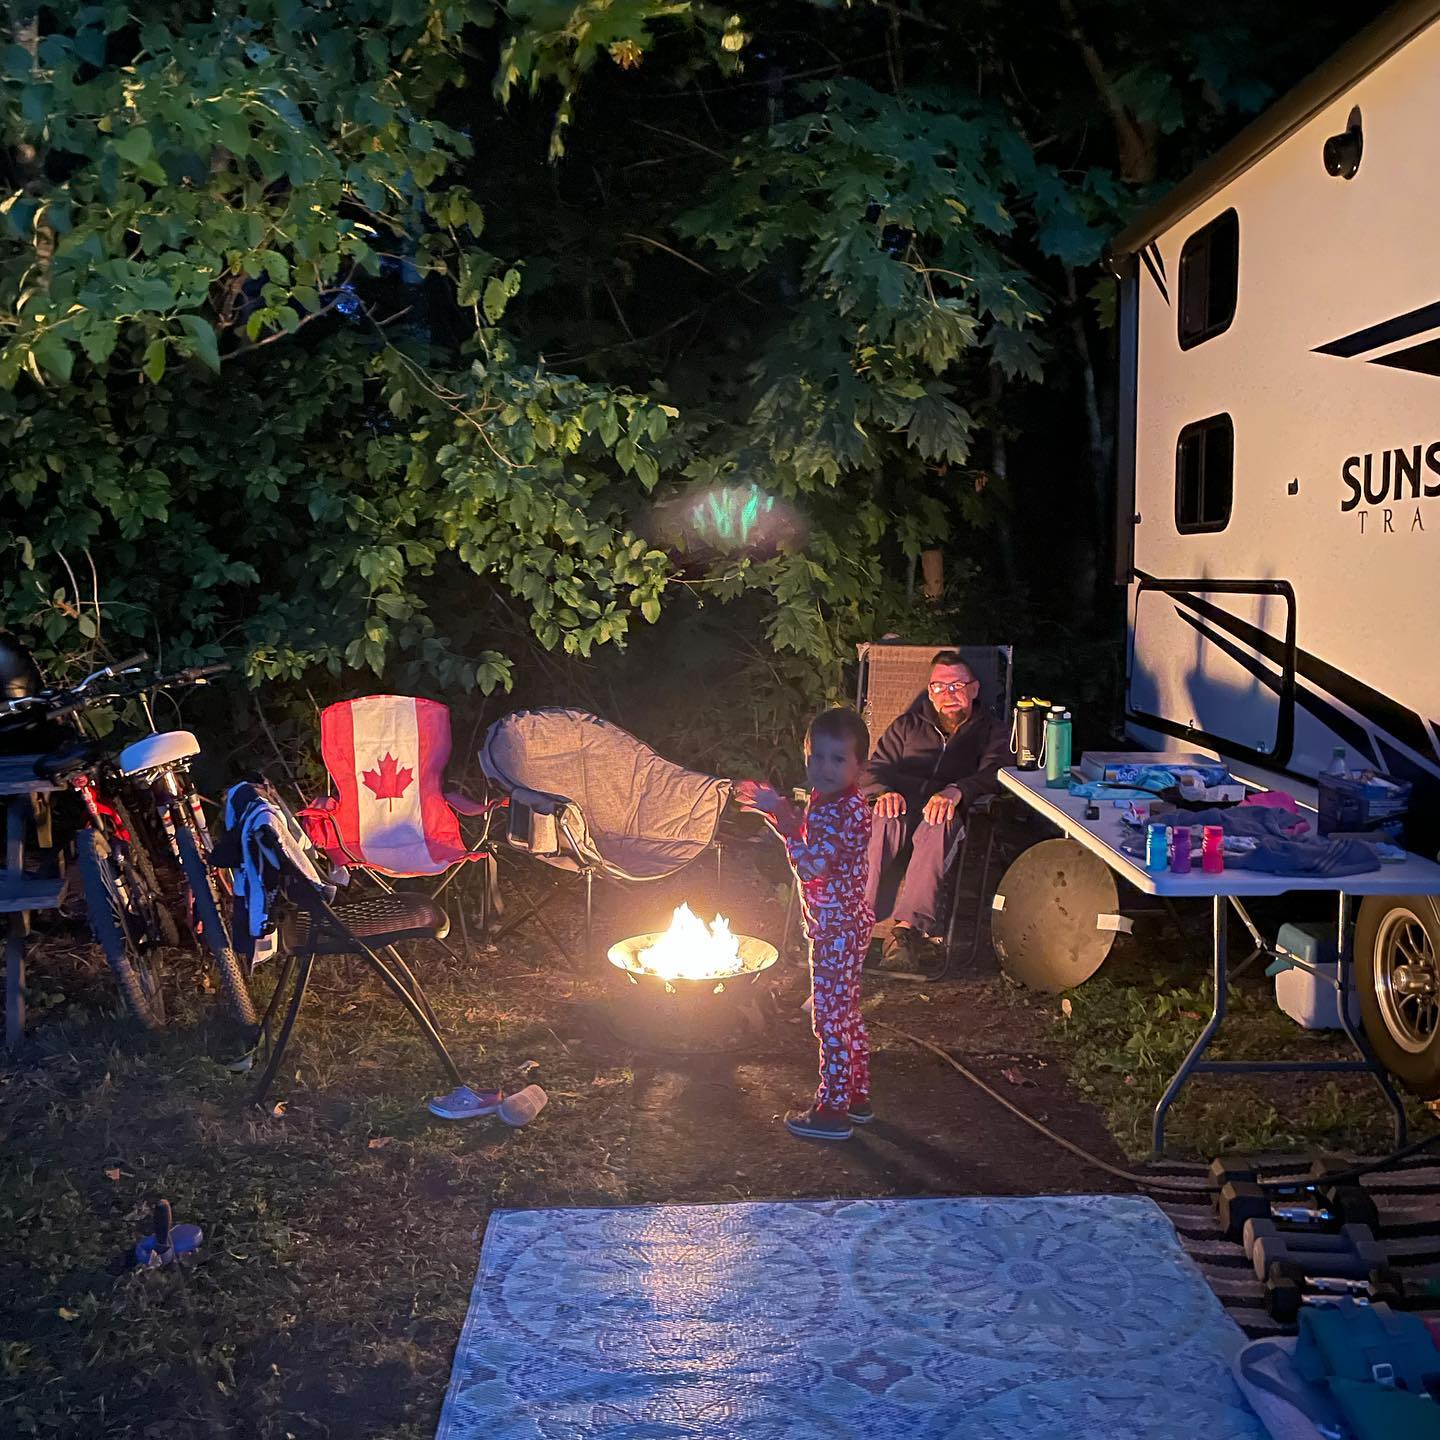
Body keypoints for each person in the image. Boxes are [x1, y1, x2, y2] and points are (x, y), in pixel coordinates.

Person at [736, 706, 874, 1142]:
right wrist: (779, 811)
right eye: (817, 757)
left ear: (860, 766)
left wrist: (780, 817)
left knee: (828, 1019)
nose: (825, 768)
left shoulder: (840, 811)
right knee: (846, 1012)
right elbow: (807, 835)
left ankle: (832, 1110)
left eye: (838, 759)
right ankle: (856, 1095)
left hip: (836, 931)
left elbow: (811, 865)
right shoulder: (834, 800)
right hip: (846, 923)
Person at [861, 650, 1008, 972]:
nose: (948, 694)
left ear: (974, 689)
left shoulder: (991, 731)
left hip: (947, 811)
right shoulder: (907, 726)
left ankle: (904, 934)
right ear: (929, 692)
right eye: (939, 687)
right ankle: (856, 920)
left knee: (939, 820)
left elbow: (996, 773)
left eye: (957, 686)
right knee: (883, 816)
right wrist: (883, 792)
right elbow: (875, 768)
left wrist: (958, 790)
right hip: (901, 807)